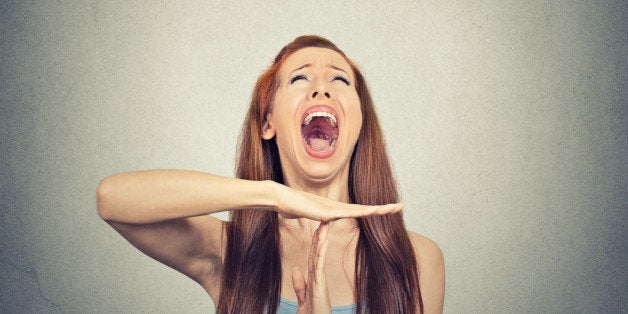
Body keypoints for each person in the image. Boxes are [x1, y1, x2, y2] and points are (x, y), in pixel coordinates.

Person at [97, 35, 444, 313]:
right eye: (299, 78)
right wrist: (273, 194)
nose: (321, 89)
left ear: (359, 120)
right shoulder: (231, 251)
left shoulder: (417, 259)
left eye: (339, 79)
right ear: (267, 123)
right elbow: (112, 199)